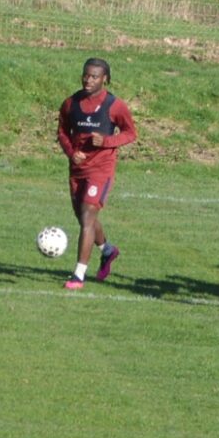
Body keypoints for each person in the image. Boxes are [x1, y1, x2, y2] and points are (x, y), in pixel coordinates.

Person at [56, 59, 136, 290]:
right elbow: (62, 132)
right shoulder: (71, 103)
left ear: (105, 79)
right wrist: (71, 153)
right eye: (86, 75)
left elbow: (130, 133)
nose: (88, 80)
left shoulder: (115, 105)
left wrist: (107, 141)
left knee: (88, 216)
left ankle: (78, 275)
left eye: (94, 76)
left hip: (101, 169)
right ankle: (107, 250)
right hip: (77, 169)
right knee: (83, 217)